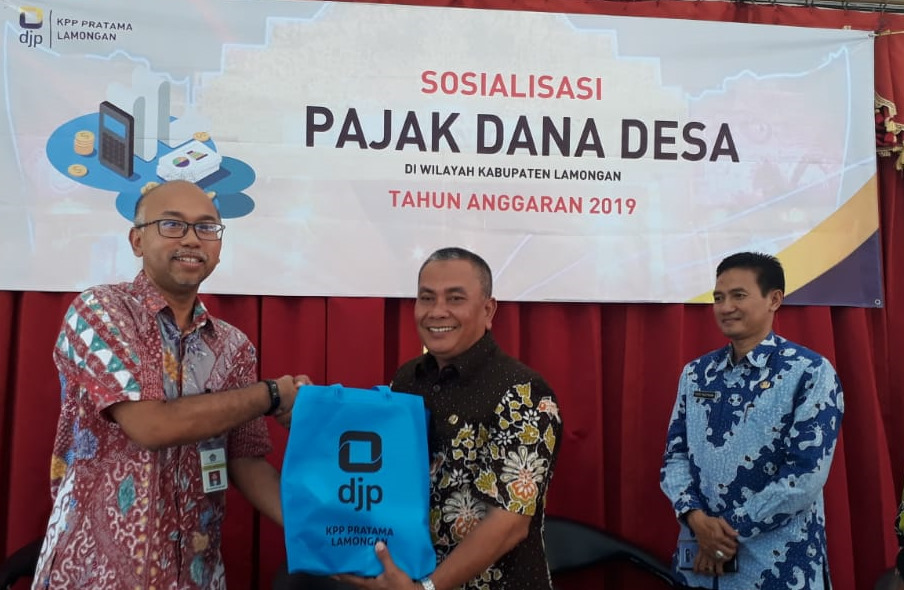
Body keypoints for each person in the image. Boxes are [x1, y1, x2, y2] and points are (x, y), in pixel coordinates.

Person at [32, 180, 309, 589]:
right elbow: (153, 426)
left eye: (206, 228)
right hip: (95, 574)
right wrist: (271, 394)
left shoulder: (233, 346)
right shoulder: (101, 311)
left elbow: (245, 460)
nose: (192, 239)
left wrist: (328, 532)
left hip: (195, 573)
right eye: (173, 225)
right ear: (137, 240)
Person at [336, 246, 563, 590]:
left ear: (488, 310)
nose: (437, 311)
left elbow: (509, 523)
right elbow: (380, 470)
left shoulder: (523, 393)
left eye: (455, 299)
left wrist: (426, 589)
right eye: (426, 298)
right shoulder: (407, 380)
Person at [660, 252, 844, 590]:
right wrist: (696, 520)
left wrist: (724, 533)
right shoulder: (696, 374)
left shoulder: (810, 372)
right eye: (718, 297)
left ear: (774, 299)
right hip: (699, 564)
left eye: (738, 295)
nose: (725, 307)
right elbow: (675, 457)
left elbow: (804, 476)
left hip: (777, 567)